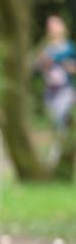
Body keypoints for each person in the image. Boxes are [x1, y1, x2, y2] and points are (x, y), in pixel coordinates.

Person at [34, 14, 76, 164]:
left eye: (55, 25)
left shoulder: (70, 48)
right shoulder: (45, 48)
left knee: (61, 119)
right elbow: (36, 66)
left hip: (65, 89)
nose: (52, 28)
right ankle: (58, 150)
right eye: (50, 26)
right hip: (50, 89)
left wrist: (67, 66)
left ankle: (58, 152)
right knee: (52, 120)